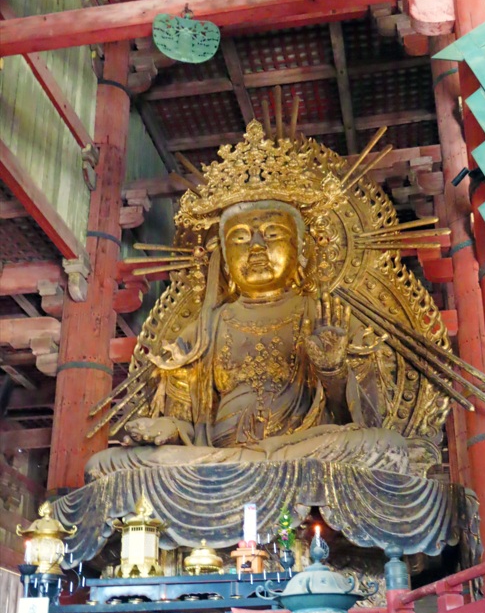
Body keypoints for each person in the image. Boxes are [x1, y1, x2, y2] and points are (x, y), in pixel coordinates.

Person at [85, 200, 410, 481]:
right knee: (107, 464)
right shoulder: (203, 330)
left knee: (384, 446)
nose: (256, 246)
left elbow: (365, 418)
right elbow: (184, 421)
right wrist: (167, 428)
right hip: (220, 458)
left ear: (301, 251)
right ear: (225, 260)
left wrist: (333, 371)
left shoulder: (325, 317)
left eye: (273, 234)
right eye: (240, 238)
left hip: (299, 451)